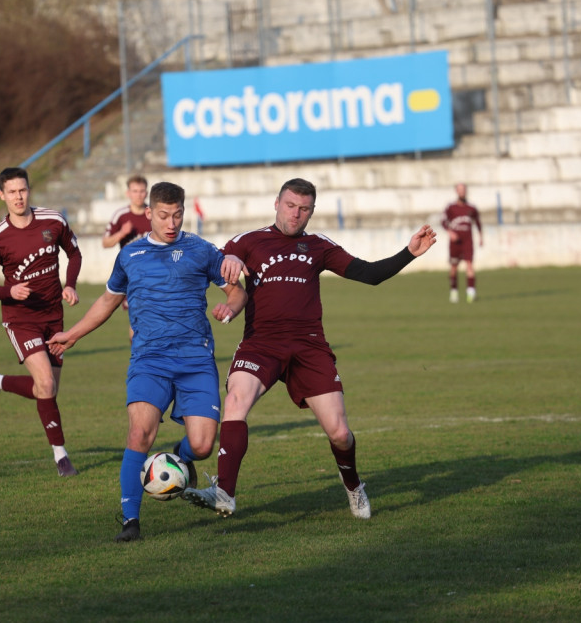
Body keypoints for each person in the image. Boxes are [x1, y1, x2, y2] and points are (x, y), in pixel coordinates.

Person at [183, 178, 436, 521]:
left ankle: (354, 487)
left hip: (309, 346)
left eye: (304, 209)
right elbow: (227, 260)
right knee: (235, 401)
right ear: (277, 203)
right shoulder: (248, 241)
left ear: (312, 212)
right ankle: (225, 493)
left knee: (340, 433)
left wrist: (409, 253)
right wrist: (228, 260)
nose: (295, 214)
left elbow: (369, 274)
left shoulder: (319, 246)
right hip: (262, 342)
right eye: (290, 206)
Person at [47, 182, 246, 542]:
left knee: (202, 446)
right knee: (140, 433)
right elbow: (108, 301)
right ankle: (130, 521)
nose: (172, 223)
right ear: (149, 214)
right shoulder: (131, 256)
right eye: (164, 216)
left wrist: (229, 308)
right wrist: (73, 333)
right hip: (149, 359)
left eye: (178, 215)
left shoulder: (201, 250)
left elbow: (237, 291)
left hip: (195, 360)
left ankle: (178, 456)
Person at [0, 167, 82, 477]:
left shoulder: (53, 221)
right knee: (46, 384)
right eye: (11, 192)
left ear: (28, 190)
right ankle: (61, 457)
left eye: (22, 190)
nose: (18, 197)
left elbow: (74, 254)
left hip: (54, 316)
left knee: (47, 390)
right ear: (2, 196)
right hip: (20, 319)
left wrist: (70, 283)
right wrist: (10, 290)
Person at [102, 175, 151, 341]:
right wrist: (122, 233)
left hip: (155, 273)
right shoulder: (121, 215)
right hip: (131, 275)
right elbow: (105, 242)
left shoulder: (153, 214)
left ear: (147, 192)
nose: (139, 195)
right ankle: (139, 356)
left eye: (142, 191)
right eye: (135, 191)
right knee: (137, 318)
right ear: (128, 193)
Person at [441, 183, 483, 303]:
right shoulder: (451, 207)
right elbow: (443, 221)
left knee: (469, 265)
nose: (462, 192)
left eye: (463, 189)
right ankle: (454, 292)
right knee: (454, 267)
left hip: (467, 241)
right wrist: (450, 232)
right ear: (456, 191)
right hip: (455, 242)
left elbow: (478, 222)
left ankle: (471, 293)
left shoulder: (471, 208)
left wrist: (481, 237)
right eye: (459, 190)